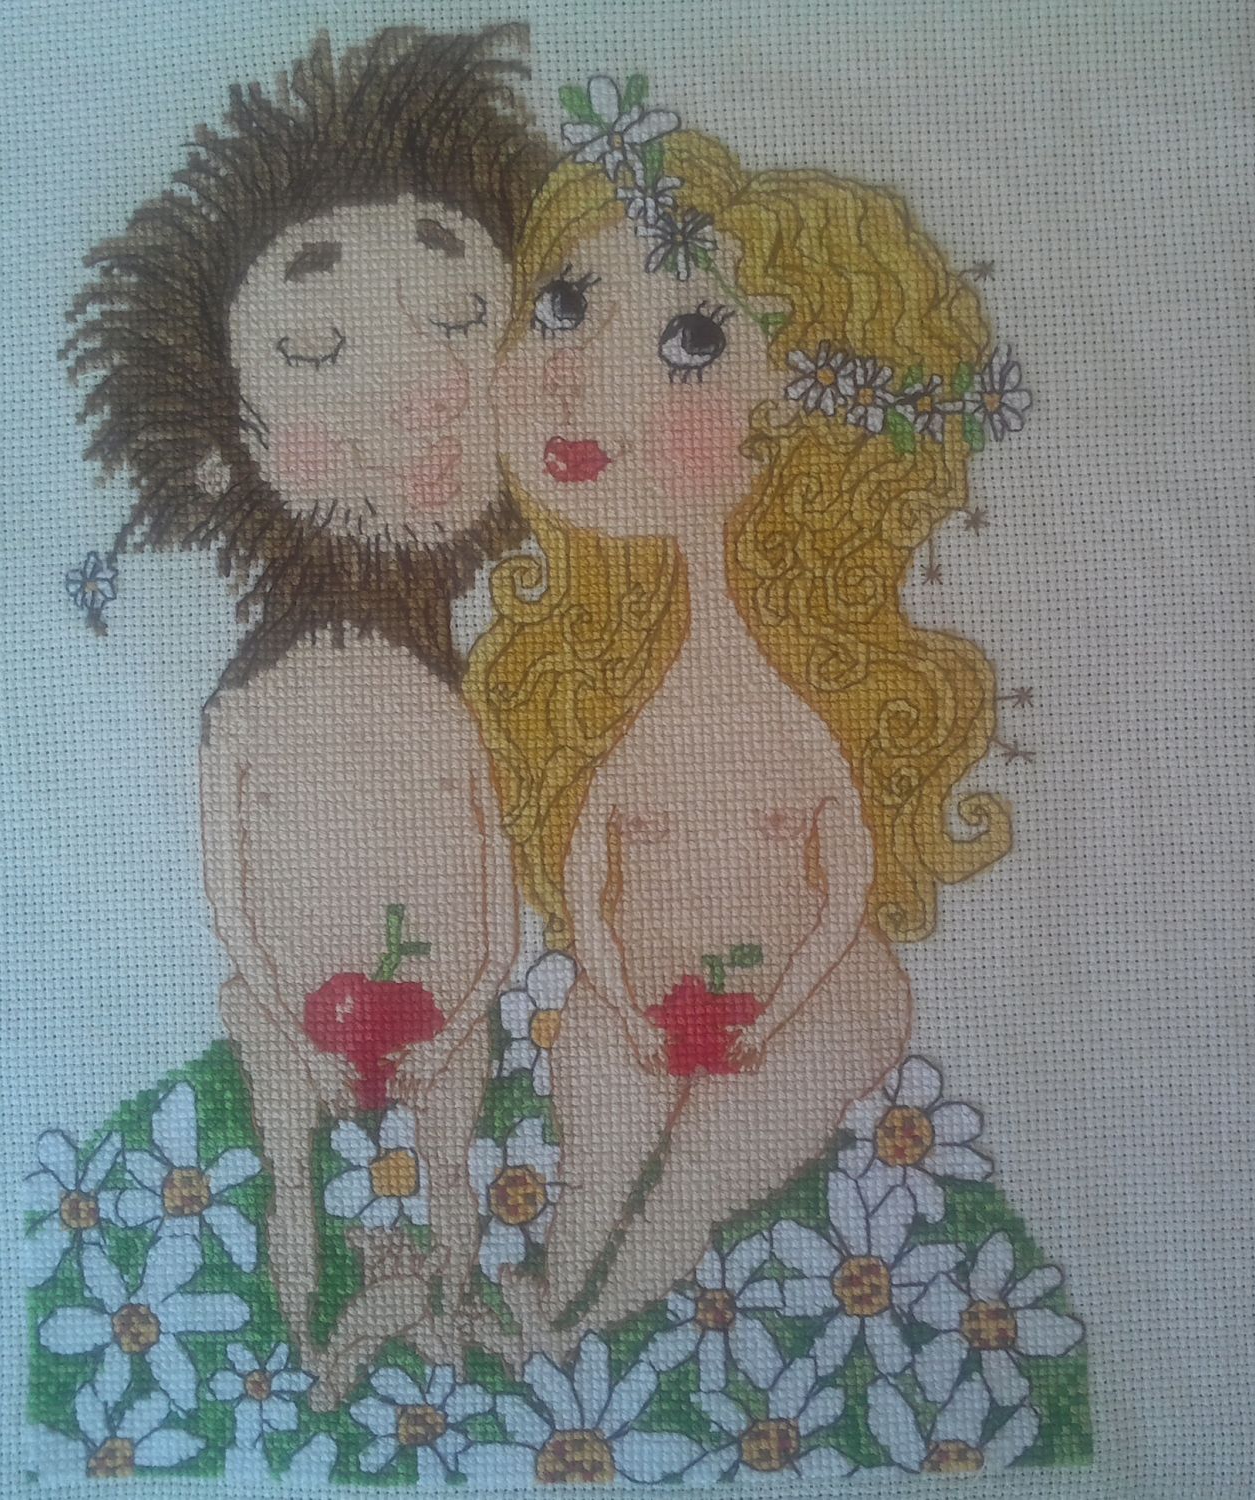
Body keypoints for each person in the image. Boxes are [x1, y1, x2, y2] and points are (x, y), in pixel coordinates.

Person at [467, 105, 1016, 1350]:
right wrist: (619, 994)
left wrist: (767, 1016)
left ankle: (589, 1315)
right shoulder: (602, 675)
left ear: (808, 424)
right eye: (562, 304)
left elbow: (844, 874)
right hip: (636, 990)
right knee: (598, 1124)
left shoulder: (793, 702)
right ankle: (558, 1309)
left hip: (811, 998)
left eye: (691, 339)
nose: (569, 371)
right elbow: (587, 865)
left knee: (703, 1157)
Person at [65, 25, 550, 1398]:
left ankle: (440, 1313)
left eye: (463, 322)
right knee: (293, 1171)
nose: (423, 390)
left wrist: (468, 1000)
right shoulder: (253, 705)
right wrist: (284, 999)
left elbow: (496, 868)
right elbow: (229, 882)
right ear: (226, 434)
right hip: (293, 1008)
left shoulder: (478, 696)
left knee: (448, 1157)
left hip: (444, 1008)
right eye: (317, 347)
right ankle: (306, 1347)